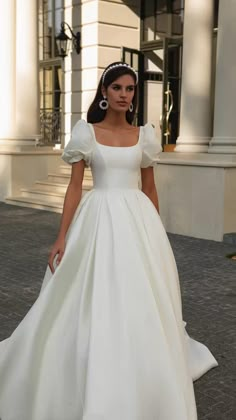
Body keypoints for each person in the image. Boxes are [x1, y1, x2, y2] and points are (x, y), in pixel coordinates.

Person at [0, 61, 218, 420]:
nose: (124, 95)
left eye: (130, 89)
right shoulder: (87, 133)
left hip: (137, 220)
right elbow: (73, 188)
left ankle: (140, 363)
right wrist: (61, 236)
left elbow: (149, 189)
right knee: (94, 290)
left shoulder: (145, 135)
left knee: (138, 293)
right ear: (104, 92)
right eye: (117, 88)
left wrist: (157, 235)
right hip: (98, 216)